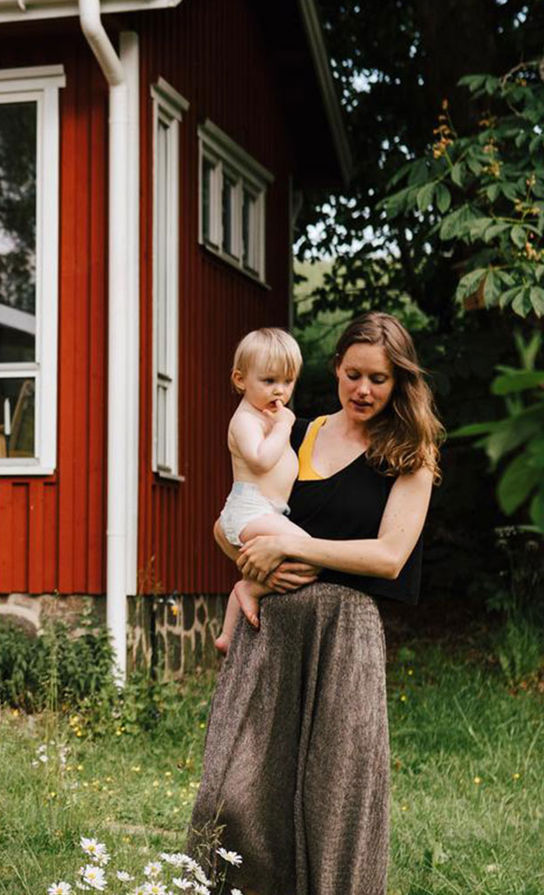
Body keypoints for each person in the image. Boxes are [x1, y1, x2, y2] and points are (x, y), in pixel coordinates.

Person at [188, 312, 442, 895]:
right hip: (271, 626)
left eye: (378, 379)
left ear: (398, 381)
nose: (363, 390)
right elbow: (230, 525)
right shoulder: (295, 429)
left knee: (335, 797)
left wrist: (297, 547)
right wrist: (249, 561)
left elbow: (389, 556)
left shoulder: (410, 452)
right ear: (335, 369)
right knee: (239, 785)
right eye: (353, 374)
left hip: (345, 634)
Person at [214, 328, 314, 656]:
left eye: (288, 382)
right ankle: (251, 588)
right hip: (251, 510)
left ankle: (227, 636)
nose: (280, 391)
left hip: (262, 511)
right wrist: (285, 427)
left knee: (296, 561)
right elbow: (259, 461)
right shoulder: (245, 420)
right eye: (269, 381)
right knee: (312, 553)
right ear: (241, 380)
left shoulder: (265, 417)